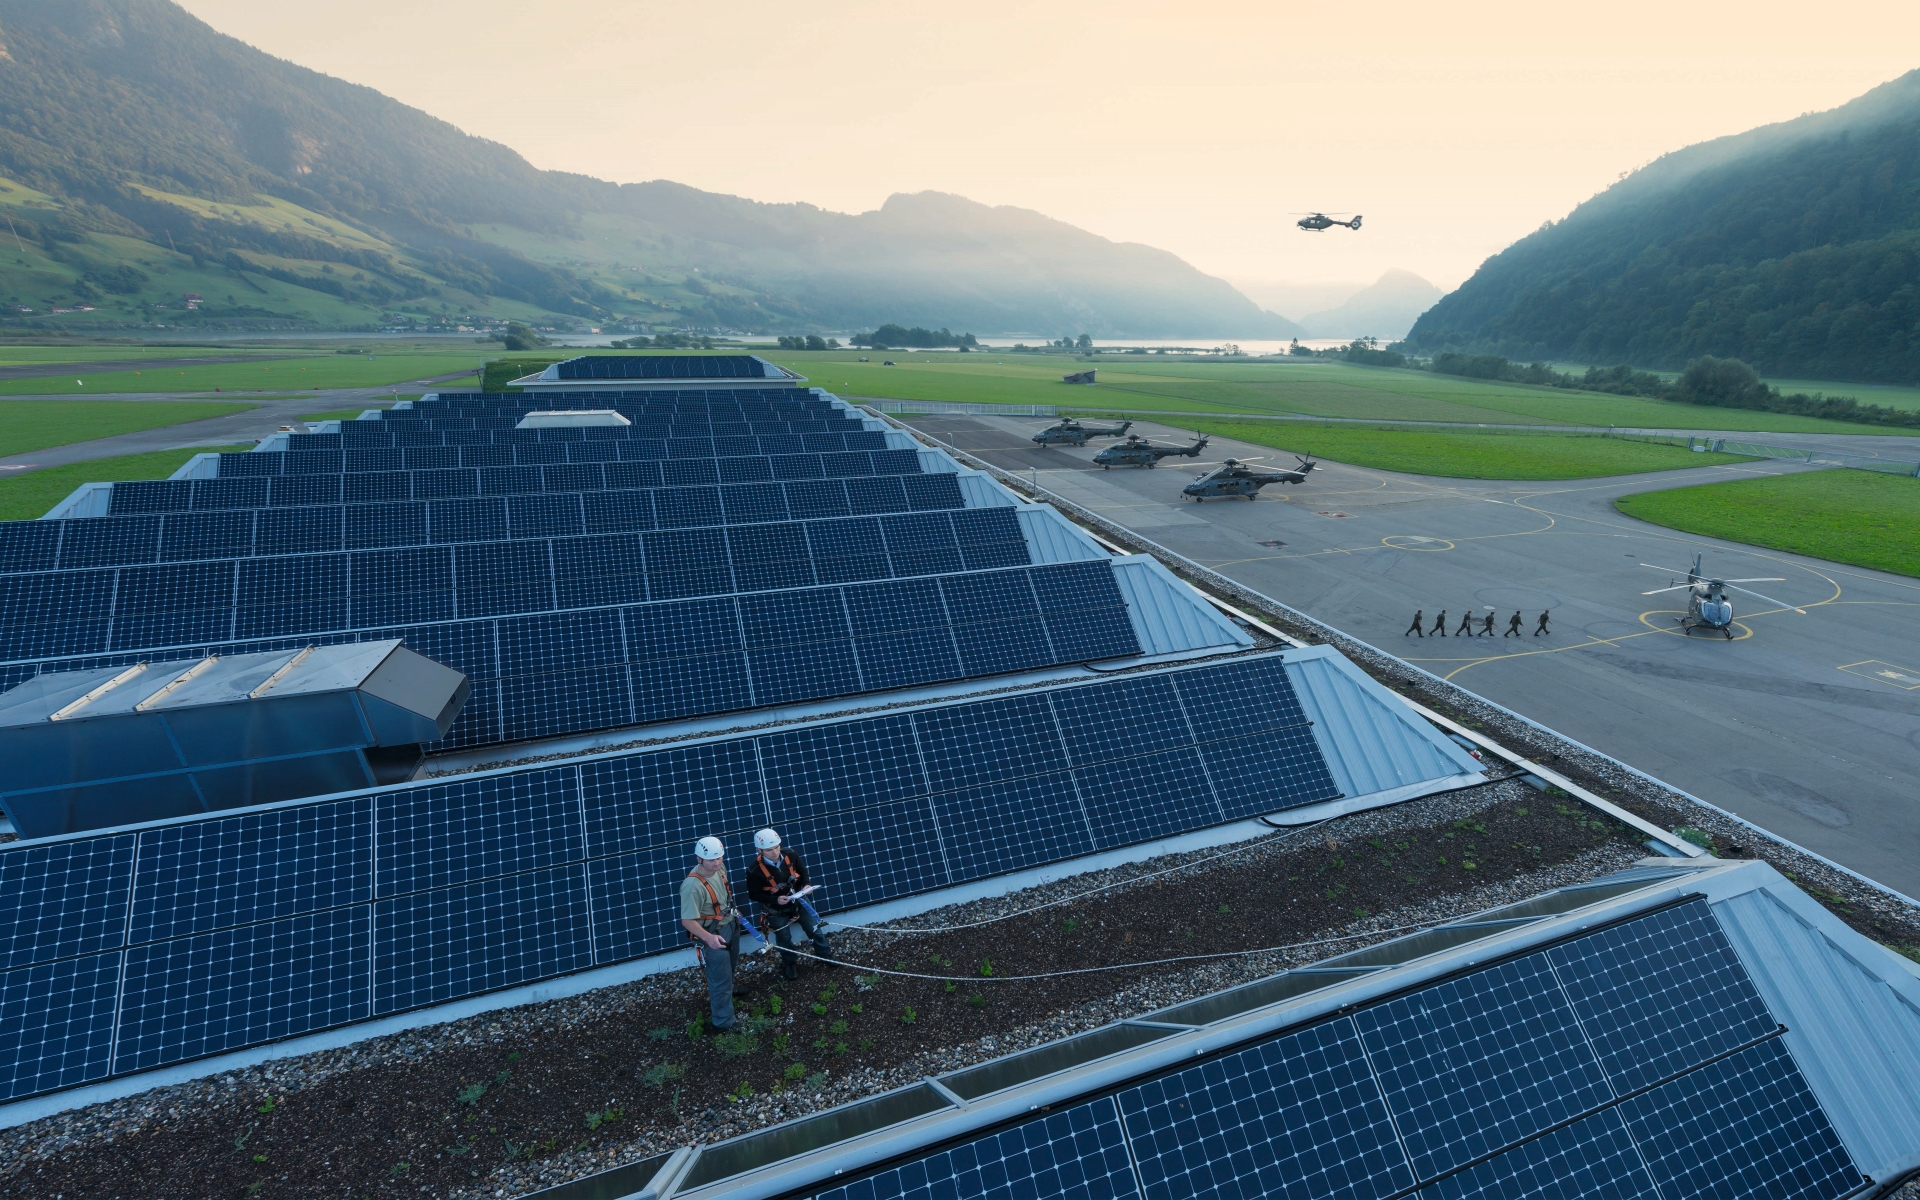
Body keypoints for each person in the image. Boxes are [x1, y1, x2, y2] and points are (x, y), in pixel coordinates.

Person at [745, 828, 833, 981]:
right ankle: (790, 963)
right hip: (776, 908)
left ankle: (825, 955)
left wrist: (806, 885)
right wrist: (775, 900)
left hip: (799, 899)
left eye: (777, 847)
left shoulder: (790, 855)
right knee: (784, 938)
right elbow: (754, 894)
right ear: (759, 850)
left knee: (814, 928)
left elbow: (803, 872)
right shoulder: (754, 870)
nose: (775, 852)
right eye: (769, 850)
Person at [680, 836, 742, 1032]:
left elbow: (723, 896)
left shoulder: (719, 869)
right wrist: (709, 939)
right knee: (719, 978)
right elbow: (687, 921)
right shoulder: (693, 886)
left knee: (730, 966)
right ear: (699, 859)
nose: (717, 863)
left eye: (720, 858)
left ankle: (730, 991)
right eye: (712, 860)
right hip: (712, 933)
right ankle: (723, 1022)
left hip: (729, 924)